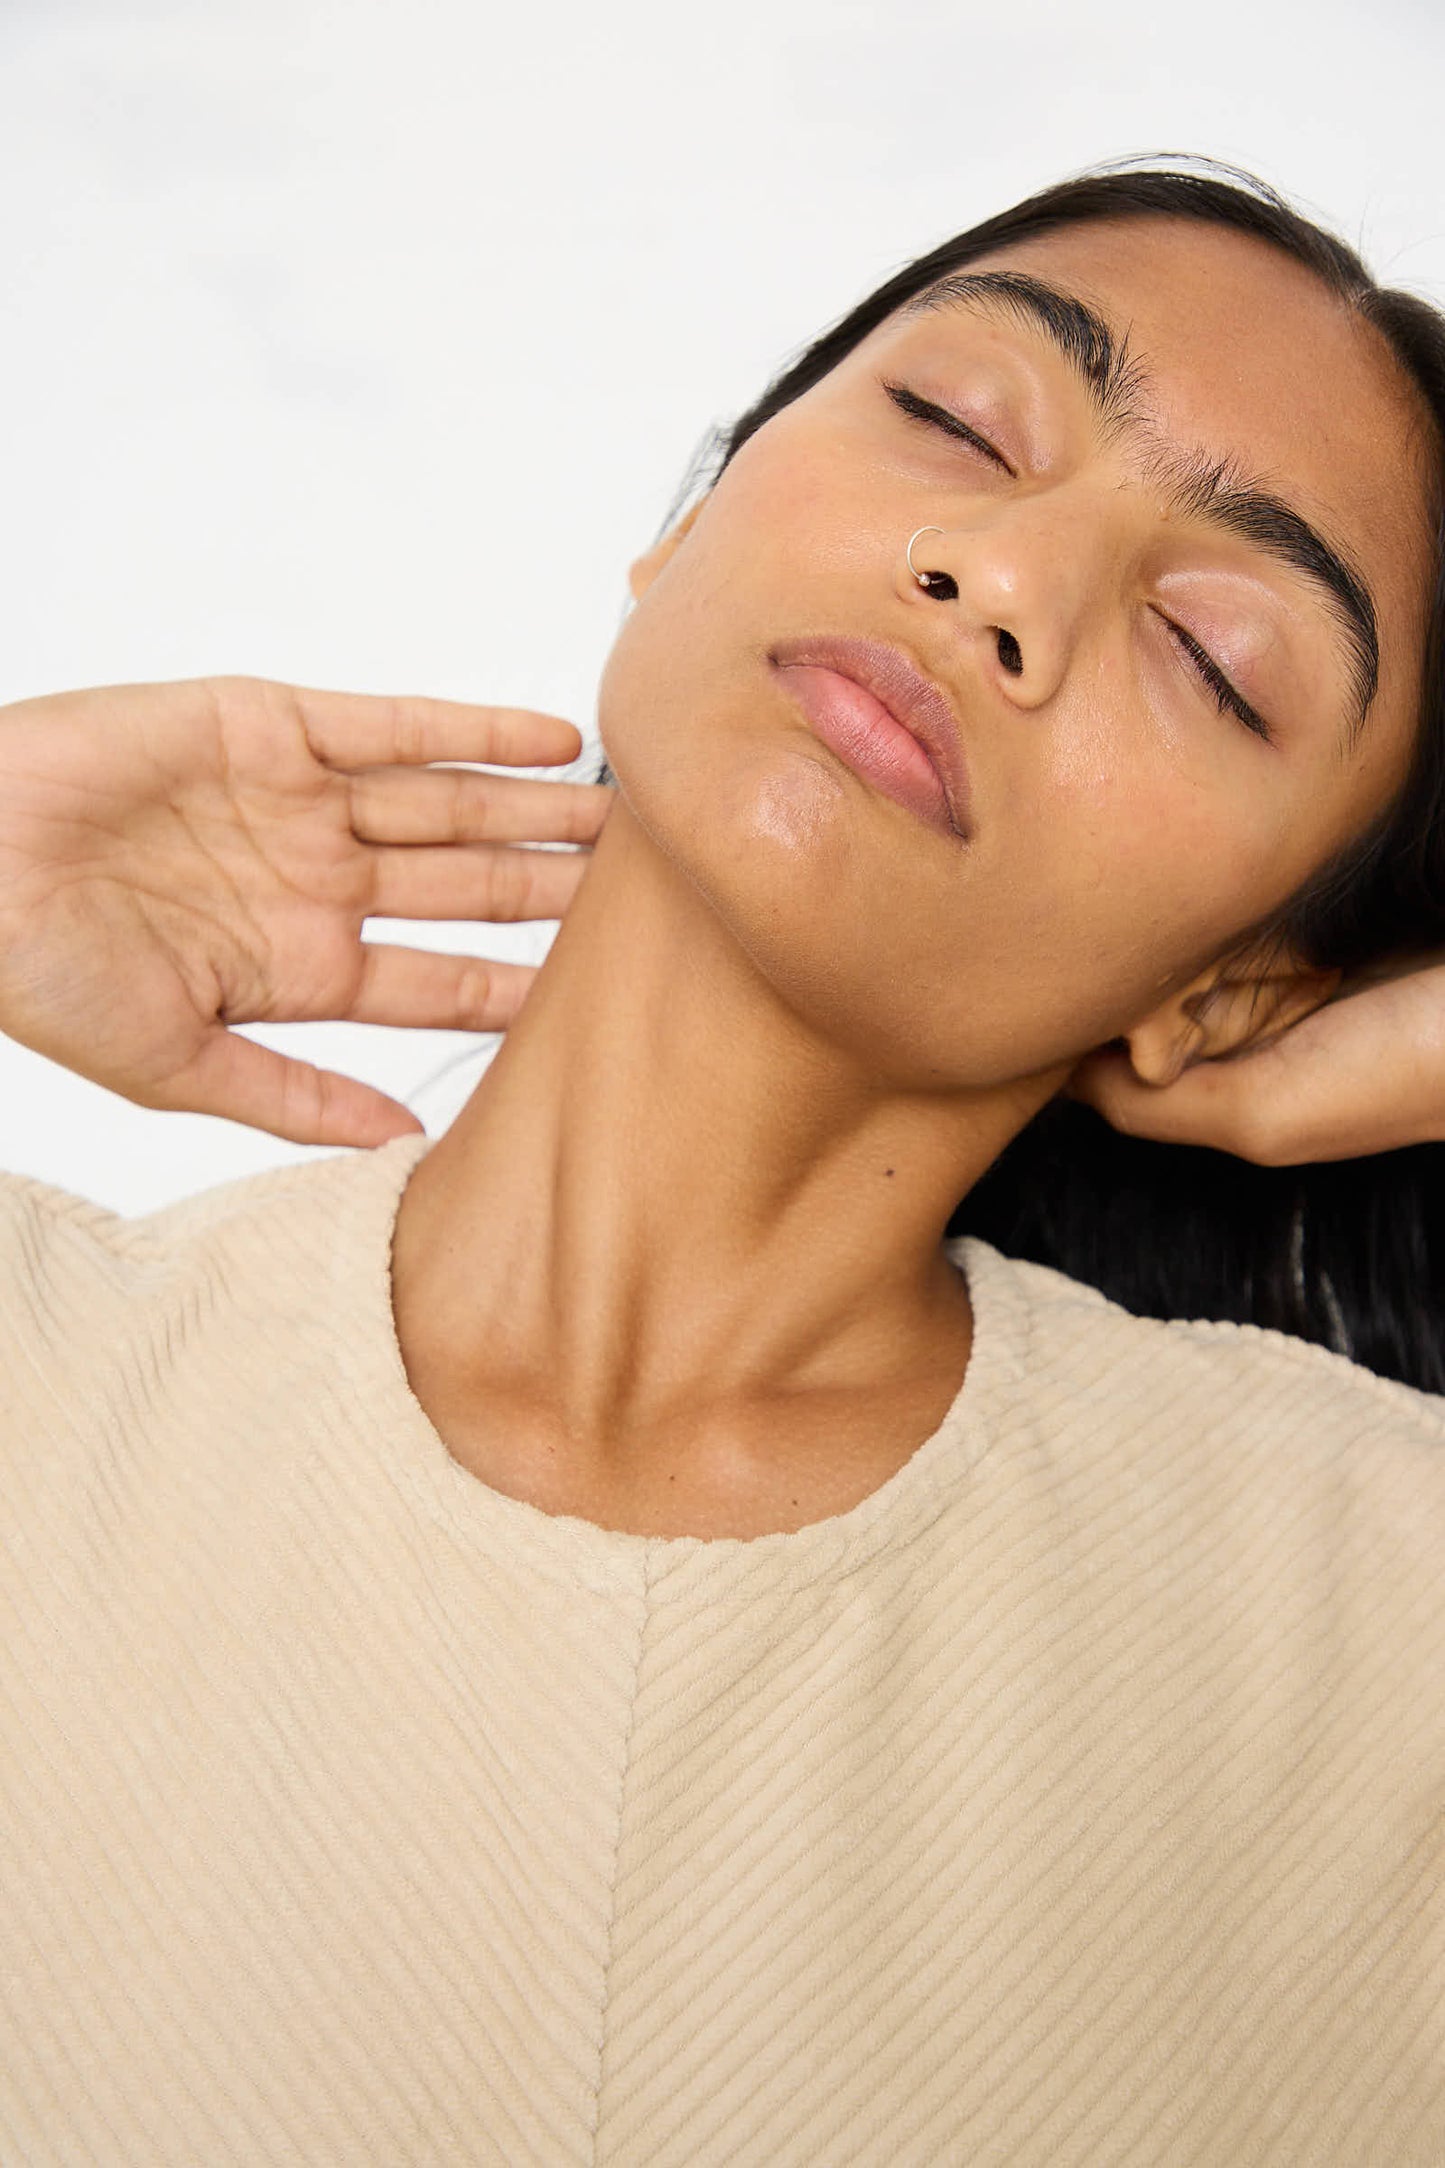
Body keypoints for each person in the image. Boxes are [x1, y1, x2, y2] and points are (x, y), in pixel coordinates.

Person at [2, 156, 1444, 2165]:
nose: (1004, 580)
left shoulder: (1388, 1637)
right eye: (958, 421)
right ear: (684, 518)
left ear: (1240, 985)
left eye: (1212, 651)